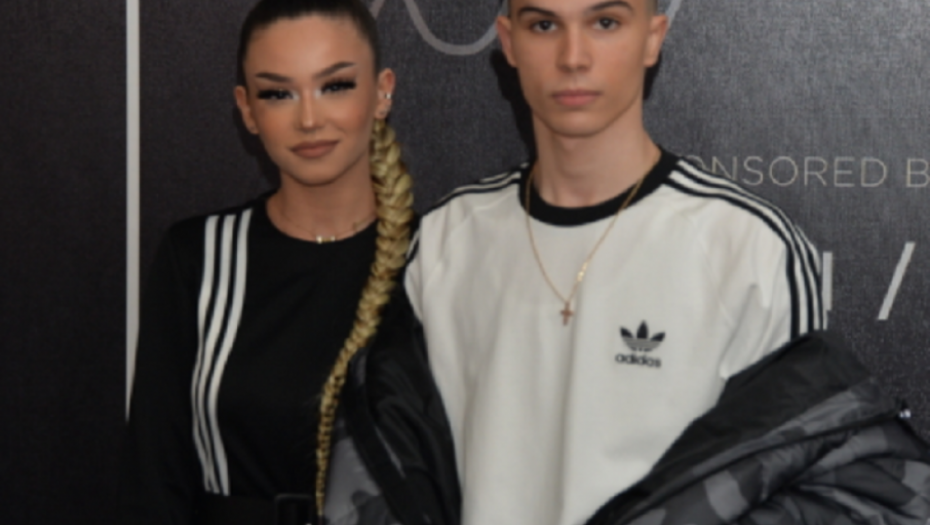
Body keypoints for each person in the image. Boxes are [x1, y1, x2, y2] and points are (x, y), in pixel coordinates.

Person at [404, 0, 930, 524]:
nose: (573, 56)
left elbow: (800, 481)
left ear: (653, 38)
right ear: (509, 41)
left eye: (605, 22)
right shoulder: (445, 240)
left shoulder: (749, 250)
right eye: (544, 25)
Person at [118, 1, 449, 523]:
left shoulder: (439, 262)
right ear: (247, 109)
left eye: (335, 85)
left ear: (382, 91)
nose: (309, 119)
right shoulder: (201, 258)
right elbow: (153, 482)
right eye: (278, 93)